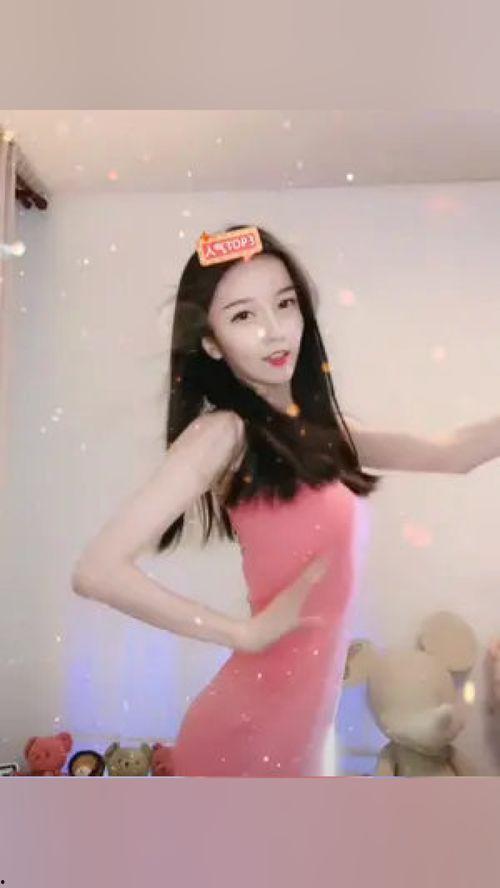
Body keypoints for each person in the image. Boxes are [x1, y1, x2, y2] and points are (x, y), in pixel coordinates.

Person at [71, 223, 486, 777]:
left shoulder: (326, 433)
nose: (274, 331)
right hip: (245, 734)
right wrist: (241, 633)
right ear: (212, 342)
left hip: (302, 731)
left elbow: (452, 454)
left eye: (284, 304)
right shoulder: (225, 433)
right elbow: (96, 571)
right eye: (243, 315)